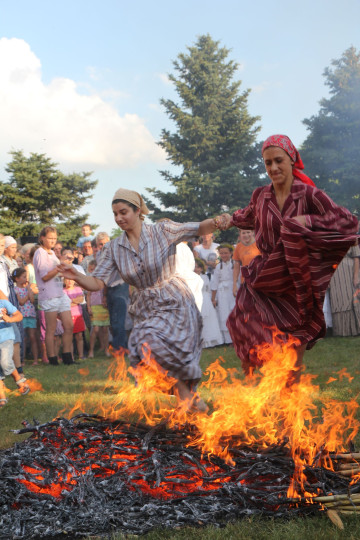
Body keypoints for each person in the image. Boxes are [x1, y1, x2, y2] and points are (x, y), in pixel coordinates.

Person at [58, 188, 226, 411]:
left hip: (174, 299)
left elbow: (197, 227)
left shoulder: (162, 230)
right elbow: (97, 283)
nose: (119, 218)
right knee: (146, 353)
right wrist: (76, 276)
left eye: (124, 212)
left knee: (151, 342)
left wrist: (220, 221)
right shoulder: (114, 248)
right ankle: (192, 402)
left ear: (138, 211)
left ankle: (188, 401)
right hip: (145, 305)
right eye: (115, 214)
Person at [218, 134, 358, 382]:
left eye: (278, 161)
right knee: (244, 324)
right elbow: (243, 217)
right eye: (267, 163)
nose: (273, 168)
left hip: (297, 282)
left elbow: (347, 221)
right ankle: (256, 390)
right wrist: (221, 220)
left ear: (292, 159)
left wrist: (309, 221)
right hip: (267, 278)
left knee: (293, 354)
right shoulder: (261, 196)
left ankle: (290, 411)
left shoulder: (309, 195)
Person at [33, 226, 74, 366]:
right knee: (51, 328)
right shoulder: (40, 253)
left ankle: (67, 356)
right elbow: (44, 276)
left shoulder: (51, 254)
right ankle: (52, 359)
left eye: (55, 239)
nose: (52, 241)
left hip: (60, 293)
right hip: (49, 295)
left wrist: (66, 267)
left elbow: (58, 273)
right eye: (50, 238)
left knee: (69, 325)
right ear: (42, 238)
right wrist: (59, 268)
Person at [95, 231, 129, 352]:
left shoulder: (117, 252)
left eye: (105, 243)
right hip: (108, 288)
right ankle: (121, 347)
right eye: (100, 244)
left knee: (119, 320)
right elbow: (102, 277)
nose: (103, 246)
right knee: (113, 321)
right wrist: (104, 295)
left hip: (120, 287)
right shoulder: (99, 256)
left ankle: (119, 348)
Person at [0, 296, 29, 407]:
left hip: (6, 337)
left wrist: (9, 319)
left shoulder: (3, 303)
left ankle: (18, 378)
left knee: (5, 362)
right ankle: (2, 396)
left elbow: (19, 315)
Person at [329, 245, 360, 336]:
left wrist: (356, 277)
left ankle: (355, 329)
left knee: (352, 300)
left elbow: (357, 258)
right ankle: (342, 331)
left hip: (349, 272)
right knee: (338, 301)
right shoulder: (328, 237)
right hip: (335, 274)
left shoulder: (351, 236)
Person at [12, 267, 39, 365]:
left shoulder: (28, 288)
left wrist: (29, 290)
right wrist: (28, 293)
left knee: (32, 337)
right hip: (21, 316)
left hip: (30, 314)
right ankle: (21, 360)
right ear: (17, 279)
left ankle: (35, 359)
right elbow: (22, 302)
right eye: (23, 277)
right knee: (22, 338)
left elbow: (32, 300)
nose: (26, 279)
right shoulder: (15, 290)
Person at [194, 258, 223, 348]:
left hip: (205, 299)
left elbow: (209, 289)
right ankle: (200, 341)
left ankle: (211, 340)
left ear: (201, 268)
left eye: (198, 267)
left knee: (208, 319)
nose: (196, 269)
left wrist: (212, 299)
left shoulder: (205, 277)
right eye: (194, 267)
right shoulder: (190, 278)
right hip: (195, 298)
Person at [210, 244, 235, 344]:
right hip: (222, 292)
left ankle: (237, 338)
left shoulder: (235, 264)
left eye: (226, 253)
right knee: (224, 314)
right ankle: (228, 340)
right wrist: (213, 298)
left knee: (234, 311)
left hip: (233, 290)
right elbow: (214, 283)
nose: (224, 255)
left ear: (231, 253)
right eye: (221, 253)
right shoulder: (218, 267)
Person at [86, 258, 110, 358]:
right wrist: (88, 307)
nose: (93, 272)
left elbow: (107, 292)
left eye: (95, 269)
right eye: (91, 269)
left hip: (103, 307)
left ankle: (106, 349)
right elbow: (88, 295)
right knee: (95, 329)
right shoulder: (90, 281)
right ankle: (91, 351)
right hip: (94, 306)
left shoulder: (103, 280)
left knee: (105, 328)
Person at [233, 230, 261, 296]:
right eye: (243, 233)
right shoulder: (238, 247)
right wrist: (234, 284)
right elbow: (236, 267)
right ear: (240, 234)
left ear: (253, 232)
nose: (246, 235)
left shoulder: (259, 244)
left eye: (248, 232)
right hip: (245, 281)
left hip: (258, 280)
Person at [63, 278, 86, 360]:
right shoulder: (62, 291)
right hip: (67, 315)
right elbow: (64, 304)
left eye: (71, 280)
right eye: (67, 280)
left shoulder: (78, 289)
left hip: (78, 314)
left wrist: (70, 301)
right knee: (70, 336)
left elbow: (81, 299)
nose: (69, 282)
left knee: (79, 336)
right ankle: (71, 356)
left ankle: (81, 355)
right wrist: (74, 301)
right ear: (64, 281)